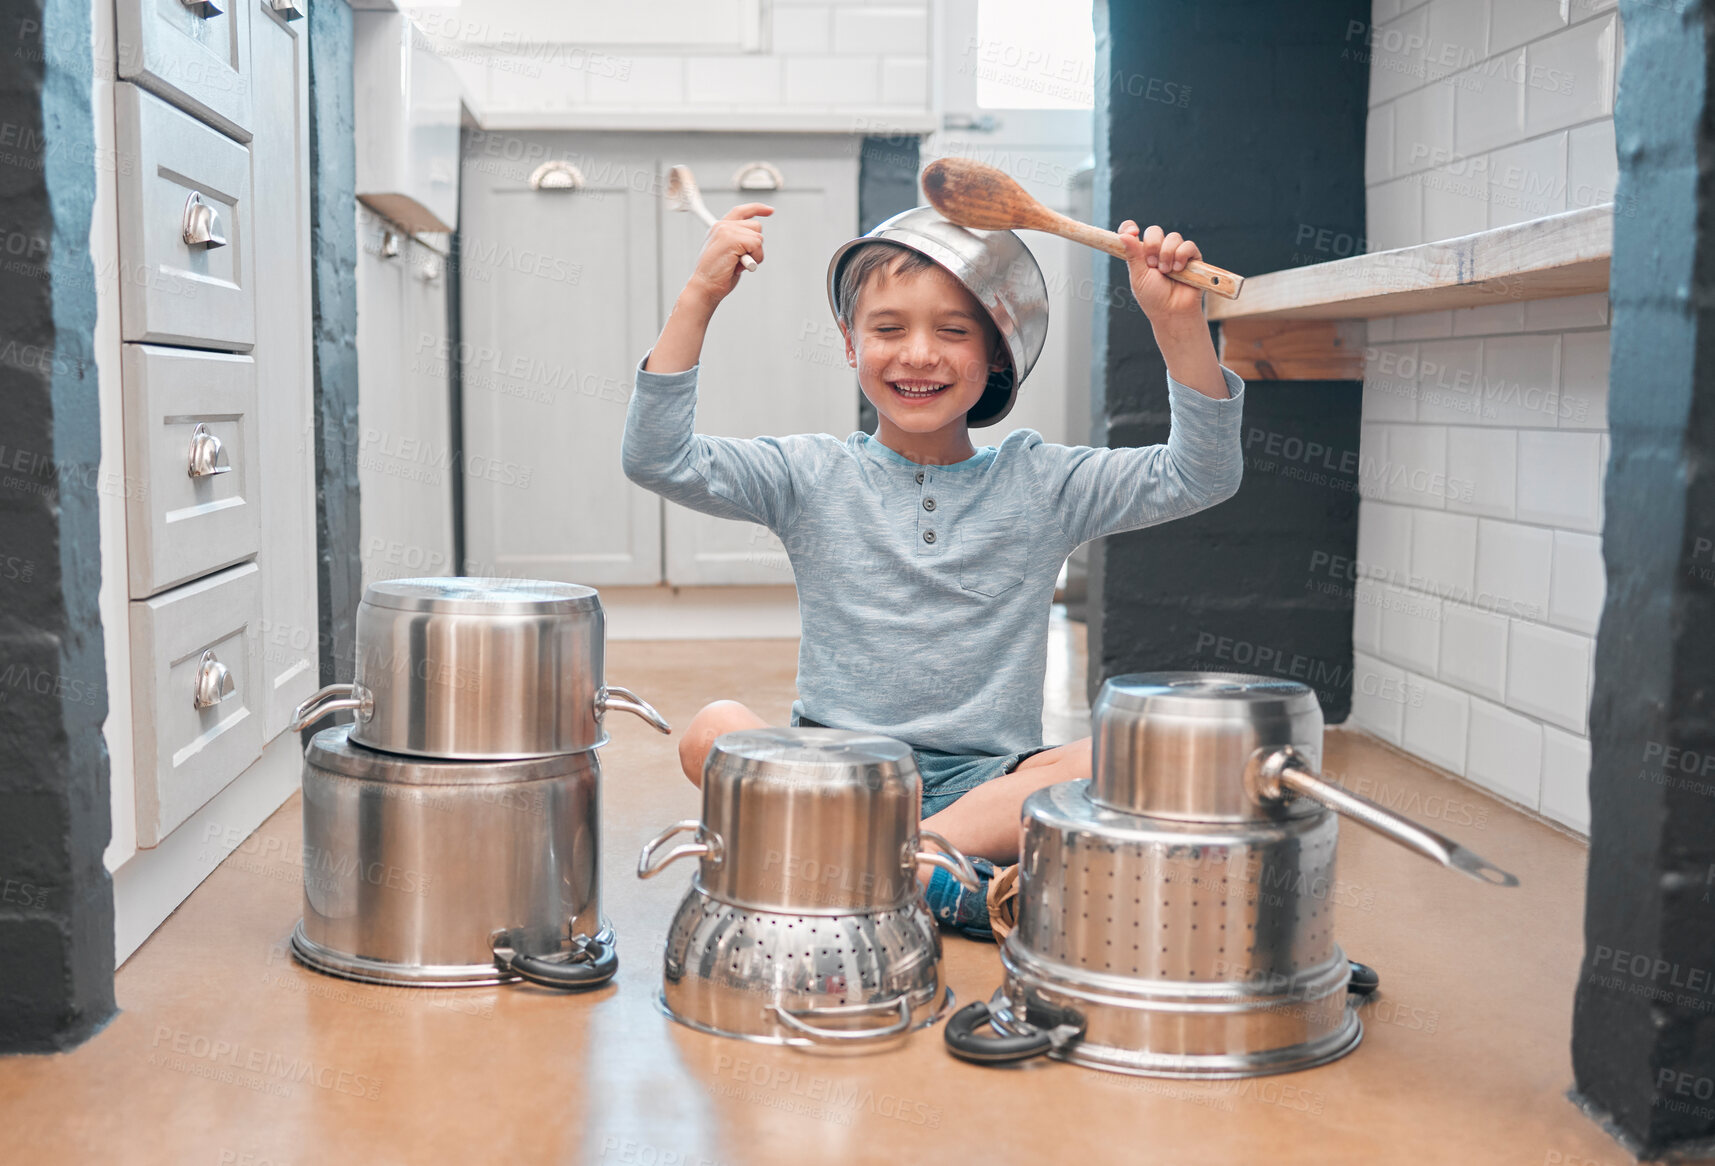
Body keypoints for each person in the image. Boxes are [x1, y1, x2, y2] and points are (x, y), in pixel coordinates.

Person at [621, 200, 1245, 939]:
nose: (918, 354)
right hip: (835, 774)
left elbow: (1201, 474)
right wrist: (699, 295)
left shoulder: (1042, 482)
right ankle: (932, 876)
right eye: (887, 329)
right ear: (851, 346)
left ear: (995, 358)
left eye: (952, 331)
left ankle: (875, 863)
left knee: (1126, 754)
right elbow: (656, 457)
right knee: (712, 728)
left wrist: (1178, 329)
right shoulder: (808, 474)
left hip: (987, 783)